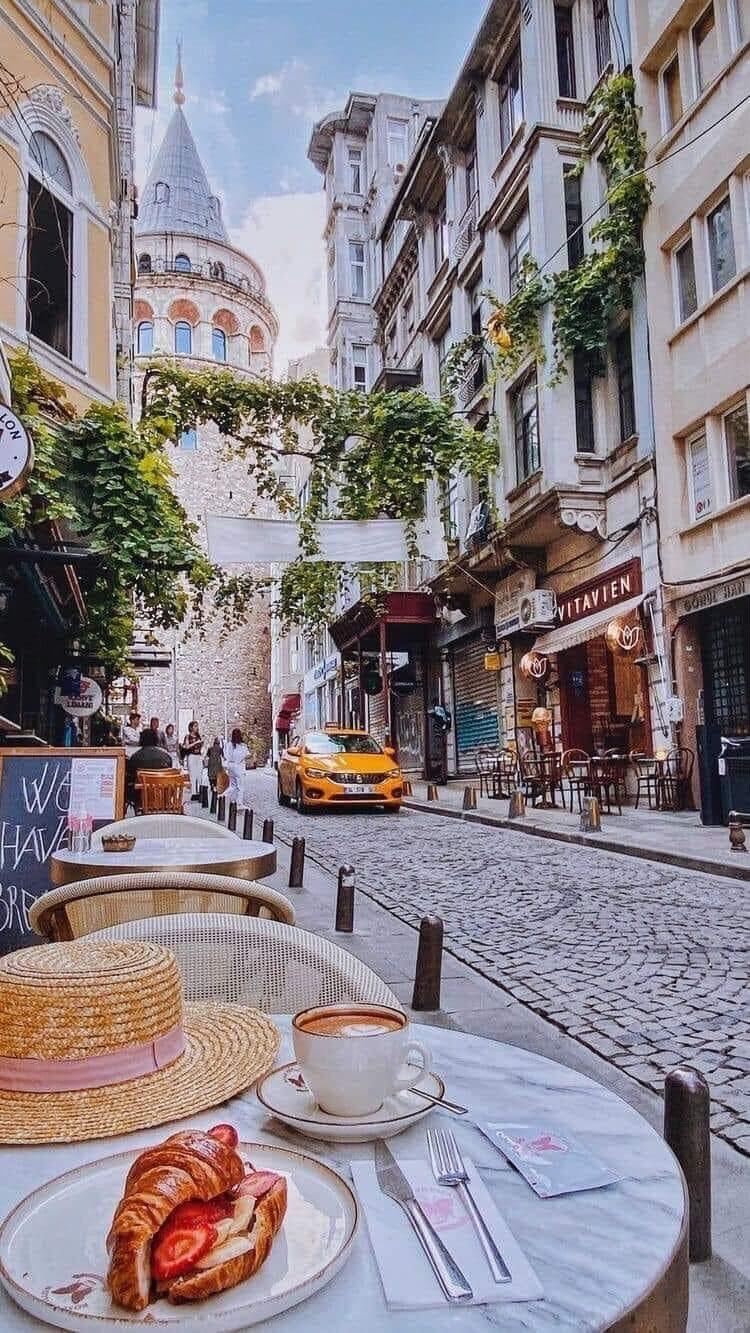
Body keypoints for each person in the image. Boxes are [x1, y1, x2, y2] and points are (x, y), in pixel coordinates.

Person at [126, 727, 171, 808]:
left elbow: (131, 776)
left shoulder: (135, 757)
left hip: (141, 798)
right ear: (156, 740)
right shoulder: (166, 757)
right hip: (162, 797)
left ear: (141, 740)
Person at [223, 728, 250, 807]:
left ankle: (222, 796)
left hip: (230, 767)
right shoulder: (242, 746)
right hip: (239, 767)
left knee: (233, 786)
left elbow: (226, 755)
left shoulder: (228, 745)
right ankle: (239, 803)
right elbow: (246, 755)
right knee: (240, 787)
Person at [182, 720, 204, 800]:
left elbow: (201, 746)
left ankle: (200, 792)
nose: (197, 728)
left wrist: (201, 745)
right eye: (195, 726)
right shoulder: (187, 736)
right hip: (191, 756)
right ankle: (194, 793)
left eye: (197, 726)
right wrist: (196, 743)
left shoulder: (198, 736)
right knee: (192, 775)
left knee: (199, 775)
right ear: (191, 727)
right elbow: (186, 746)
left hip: (198, 756)